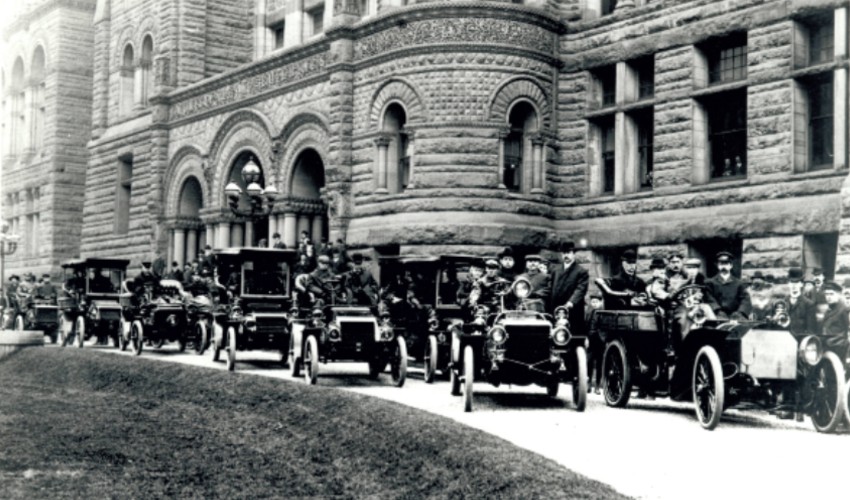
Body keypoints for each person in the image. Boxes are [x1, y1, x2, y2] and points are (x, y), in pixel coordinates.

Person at [548, 241, 589, 333]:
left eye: (568, 253)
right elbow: (550, 288)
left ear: (574, 254)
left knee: (573, 336)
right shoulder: (556, 270)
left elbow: (581, 289)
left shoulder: (581, 271)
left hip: (572, 310)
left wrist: (571, 302)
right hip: (556, 309)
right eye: (563, 253)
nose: (566, 255)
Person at [705, 251, 750, 321]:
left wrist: (740, 312)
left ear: (731, 265)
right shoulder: (710, 283)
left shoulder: (739, 283)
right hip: (716, 315)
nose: (723, 266)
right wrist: (717, 310)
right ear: (717, 265)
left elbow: (745, 299)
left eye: (726, 263)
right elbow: (709, 299)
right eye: (721, 264)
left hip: (735, 315)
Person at [819, 281, 849, 358]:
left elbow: (847, 332)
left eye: (831, 294)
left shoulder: (844, 310)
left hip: (838, 349)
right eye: (826, 294)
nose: (828, 297)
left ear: (838, 294)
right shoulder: (829, 310)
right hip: (827, 347)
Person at [785, 267, 816, 335]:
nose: (794, 286)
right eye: (791, 282)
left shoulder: (808, 304)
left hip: (799, 340)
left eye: (797, 282)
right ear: (788, 284)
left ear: (801, 284)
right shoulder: (782, 302)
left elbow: (810, 330)